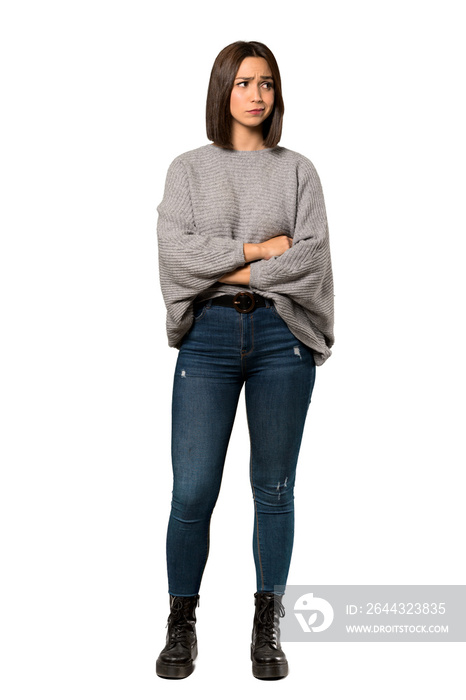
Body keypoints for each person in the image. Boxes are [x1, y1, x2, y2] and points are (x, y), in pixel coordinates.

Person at [155, 40, 334, 681]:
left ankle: (267, 625)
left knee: (274, 490)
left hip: (281, 341)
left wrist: (226, 265)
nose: (257, 94)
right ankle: (181, 623)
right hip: (206, 342)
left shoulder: (298, 172)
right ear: (222, 90)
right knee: (192, 490)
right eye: (244, 82)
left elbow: (309, 261)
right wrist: (262, 250)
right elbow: (177, 259)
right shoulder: (187, 172)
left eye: (267, 83)